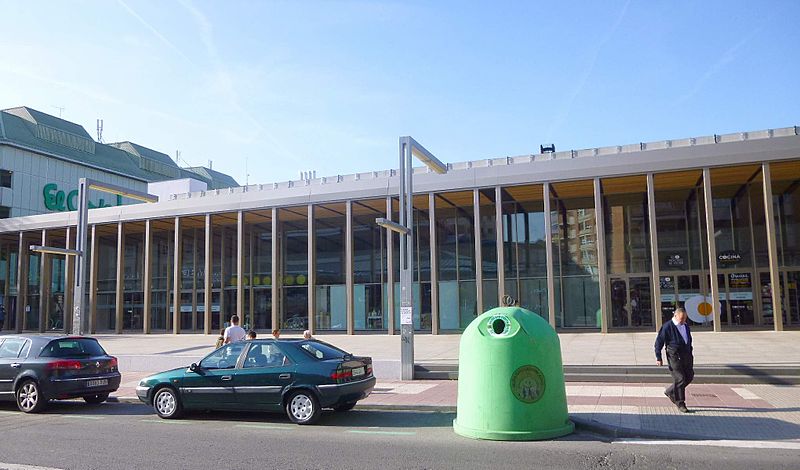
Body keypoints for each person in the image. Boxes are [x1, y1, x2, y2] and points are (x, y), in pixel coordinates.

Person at [655, 307, 695, 413]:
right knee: (680, 378)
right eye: (681, 319)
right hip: (674, 355)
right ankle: (680, 402)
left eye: (685, 319)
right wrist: (658, 357)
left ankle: (670, 391)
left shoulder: (685, 326)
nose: (683, 321)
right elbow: (659, 342)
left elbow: (688, 339)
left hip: (686, 355)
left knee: (689, 376)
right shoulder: (667, 327)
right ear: (675, 316)